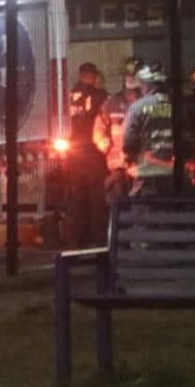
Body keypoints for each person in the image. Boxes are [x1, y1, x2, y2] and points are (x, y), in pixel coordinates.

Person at [65, 63, 111, 248]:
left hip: (73, 154)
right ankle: (98, 240)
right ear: (93, 76)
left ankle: (76, 241)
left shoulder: (68, 96)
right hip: (94, 153)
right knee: (97, 199)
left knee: (77, 198)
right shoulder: (101, 96)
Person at [123, 63, 177, 197]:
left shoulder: (138, 107)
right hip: (173, 172)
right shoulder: (176, 105)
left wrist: (130, 158)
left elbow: (129, 141)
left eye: (142, 84)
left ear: (148, 84)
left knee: (145, 206)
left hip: (147, 172)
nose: (141, 88)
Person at [100, 59, 143, 202]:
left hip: (142, 163)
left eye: (134, 75)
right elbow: (99, 128)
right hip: (117, 164)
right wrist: (106, 147)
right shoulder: (111, 102)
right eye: (128, 75)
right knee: (117, 201)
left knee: (142, 201)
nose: (131, 79)